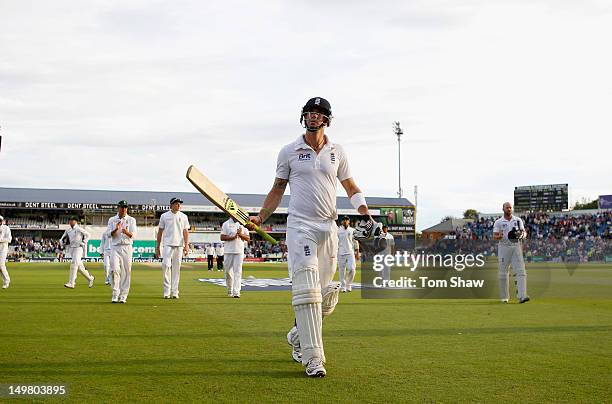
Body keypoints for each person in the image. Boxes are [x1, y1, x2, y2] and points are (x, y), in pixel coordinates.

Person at [248, 96, 377, 377]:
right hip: (301, 226)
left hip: (327, 227)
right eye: (309, 112)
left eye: (319, 113)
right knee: (307, 288)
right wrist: (261, 216)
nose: (313, 116)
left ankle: (297, 335)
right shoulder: (289, 151)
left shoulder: (337, 151)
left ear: (327, 119)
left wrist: (365, 213)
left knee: (326, 294)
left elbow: (351, 186)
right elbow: (278, 189)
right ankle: (313, 358)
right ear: (303, 117)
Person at [493, 202, 529, 303]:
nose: (509, 209)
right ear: (503, 209)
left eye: (510, 208)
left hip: (516, 246)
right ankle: (504, 297)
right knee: (503, 273)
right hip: (504, 247)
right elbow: (494, 236)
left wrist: (522, 236)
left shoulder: (517, 220)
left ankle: (522, 296)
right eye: (507, 208)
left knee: (521, 271)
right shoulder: (498, 222)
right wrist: (498, 236)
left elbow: (524, 232)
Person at [156, 197, 190, 299]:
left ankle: (175, 291)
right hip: (167, 244)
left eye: (179, 204)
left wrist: (186, 244)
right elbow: (160, 231)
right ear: (171, 205)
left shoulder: (183, 216)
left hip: (179, 245)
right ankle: (167, 291)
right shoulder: (164, 216)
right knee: (166, 266)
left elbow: (185, 231)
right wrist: (157, 246)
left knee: (176, 268)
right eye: (176, 203)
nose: (178, 205)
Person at [106, 200, 137, 303]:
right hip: (115, 247)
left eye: (125, 207)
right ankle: (115, 294)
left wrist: (125, 231)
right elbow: (108, 234)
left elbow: (134, 236)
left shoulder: (131, 220)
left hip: (127, 247)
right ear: (118, 208)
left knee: (127, 271)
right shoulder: (112, 220)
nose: (124, 209)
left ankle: (123, 296)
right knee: (115, 269)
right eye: (122, 207)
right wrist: (116, 229)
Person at [60, 216, 94, 289]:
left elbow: (88, 235)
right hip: (72, 249)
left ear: (75, 221)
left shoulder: (79, 229)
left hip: (79, 248)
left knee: (74, 264)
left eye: (72, 220)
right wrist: (62, 243)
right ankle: (90, 278)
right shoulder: (68, 230)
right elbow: (62, 238)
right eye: (70, 220)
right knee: (80, 267)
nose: (70, 222)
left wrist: (84, 242)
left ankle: (72, 283)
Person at [220, 217, 250, 298]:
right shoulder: (226, 224)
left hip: (239, 251)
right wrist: (233, 237)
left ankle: (236, 291)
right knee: (227, 271)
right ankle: (230, 288)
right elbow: (222, 237)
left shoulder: (243, 224)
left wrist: (240, 234)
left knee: (238, 272)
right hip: (228, 251)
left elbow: (248, 238)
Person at [337, 216, 356, 292]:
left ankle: (349, 285)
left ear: (349, 221)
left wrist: (357, 252)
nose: (345, 221)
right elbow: (335, 242)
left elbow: (355, 241)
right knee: (342, 271)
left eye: (346, 220)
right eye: (344, 220)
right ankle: (343, 286)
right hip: (340, 252)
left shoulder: (352, 230)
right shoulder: (338, 231)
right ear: (342, 222)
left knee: (352, 269)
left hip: (350, 252)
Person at [0, 215, 11, 289]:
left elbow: (9, 239)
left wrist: (1, 240)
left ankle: (7, 281)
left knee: (1, 265)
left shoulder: (6, 228)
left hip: (3, 247)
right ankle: (5, 281)